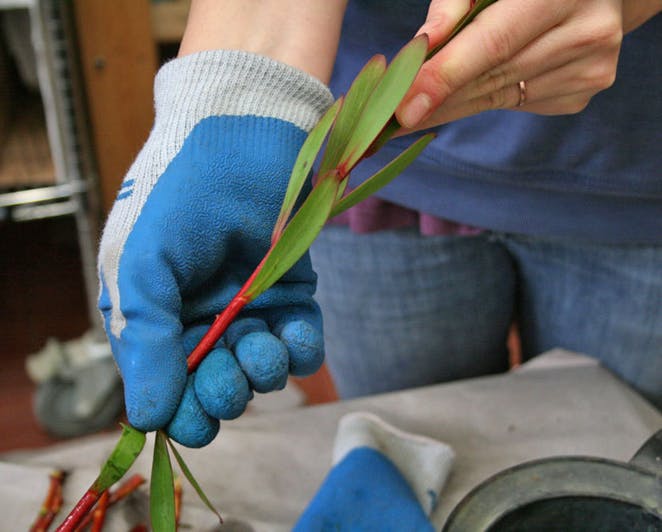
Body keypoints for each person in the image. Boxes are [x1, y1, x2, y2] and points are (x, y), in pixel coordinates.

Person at [97, 0, 662, 450]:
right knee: (409, 453)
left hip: (636, 179)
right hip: (353, 169)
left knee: (613, 467)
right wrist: (232, 98)